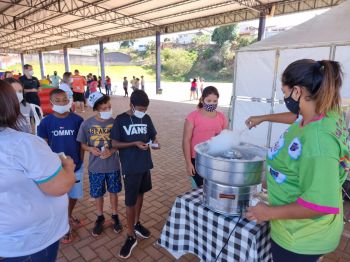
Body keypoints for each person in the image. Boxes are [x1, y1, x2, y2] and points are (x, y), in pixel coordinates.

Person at [245, 59, 350, 262]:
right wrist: (263, 118)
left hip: (301, 238)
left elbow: (318, 204)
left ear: (297, 92)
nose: (285, 97)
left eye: (284, 92)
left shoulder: (318, 142)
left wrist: (267, 212)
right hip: (303, 229)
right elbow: (296, 117)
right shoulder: (324, 111)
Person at [0, 79, 76, 261]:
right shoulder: (22, 144)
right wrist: (68, 167)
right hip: (30, 242)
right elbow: (59, 186)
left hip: (10, 238)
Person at [111, 90, 160, 259]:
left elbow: (153, 136)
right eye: (140, 108)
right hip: (130, 168)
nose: (143, 112)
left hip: (144, 165)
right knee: (130, 201)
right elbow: (115, 143)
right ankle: (130, 235)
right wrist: (134, 143)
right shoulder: (121, 119)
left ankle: (137, 224)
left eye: (145, 109)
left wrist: (155, 143)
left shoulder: (146, 119)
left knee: (140, 194)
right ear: (131, 105)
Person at [37, 89, 84, 244]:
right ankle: (64, 227)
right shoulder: (46, 122)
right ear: (51, 103)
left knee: (73, 196)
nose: (63, 103)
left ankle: (68, 215)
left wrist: (80, 162)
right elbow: (42, 146)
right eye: (58, 100)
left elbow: (81, 144)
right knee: (59, 198)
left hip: (75, 167)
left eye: (65, 99)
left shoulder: (77, 120)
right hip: (55, 170)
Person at [77, 92, 123, 237]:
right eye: (103, 108)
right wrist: (90, 148)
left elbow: (119, 143)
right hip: (95, 167)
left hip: (113, 165)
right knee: (98, 193)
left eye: (109, 107)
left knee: (114, 191)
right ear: (96, 109)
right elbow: (82, 144)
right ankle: (100, 216)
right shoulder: (87, 124)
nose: (107, 110)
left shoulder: (115, 122)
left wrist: (112, 150)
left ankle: (115, 215)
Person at [182, 86, 228, 188]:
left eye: (215, 101)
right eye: (209, 100)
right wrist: (188, 163)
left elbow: (225, 140)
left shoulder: (222, 117)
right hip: (197, 160)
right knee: (198, 190)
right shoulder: (192, 117)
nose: (212, 103)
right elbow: (186, 140)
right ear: (202, 100)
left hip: (215, 159)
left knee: (214, 189)